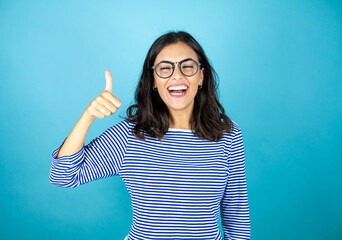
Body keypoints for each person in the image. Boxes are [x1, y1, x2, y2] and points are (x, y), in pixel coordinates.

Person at [49, 31, 251, 240]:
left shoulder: (228, 133)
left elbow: (236, 218)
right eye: (165, 68)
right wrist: (88, 116)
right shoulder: (129, 135)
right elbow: (63, 175)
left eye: (188, 66)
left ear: (201, 75)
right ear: (153, 80)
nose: (177, 76)